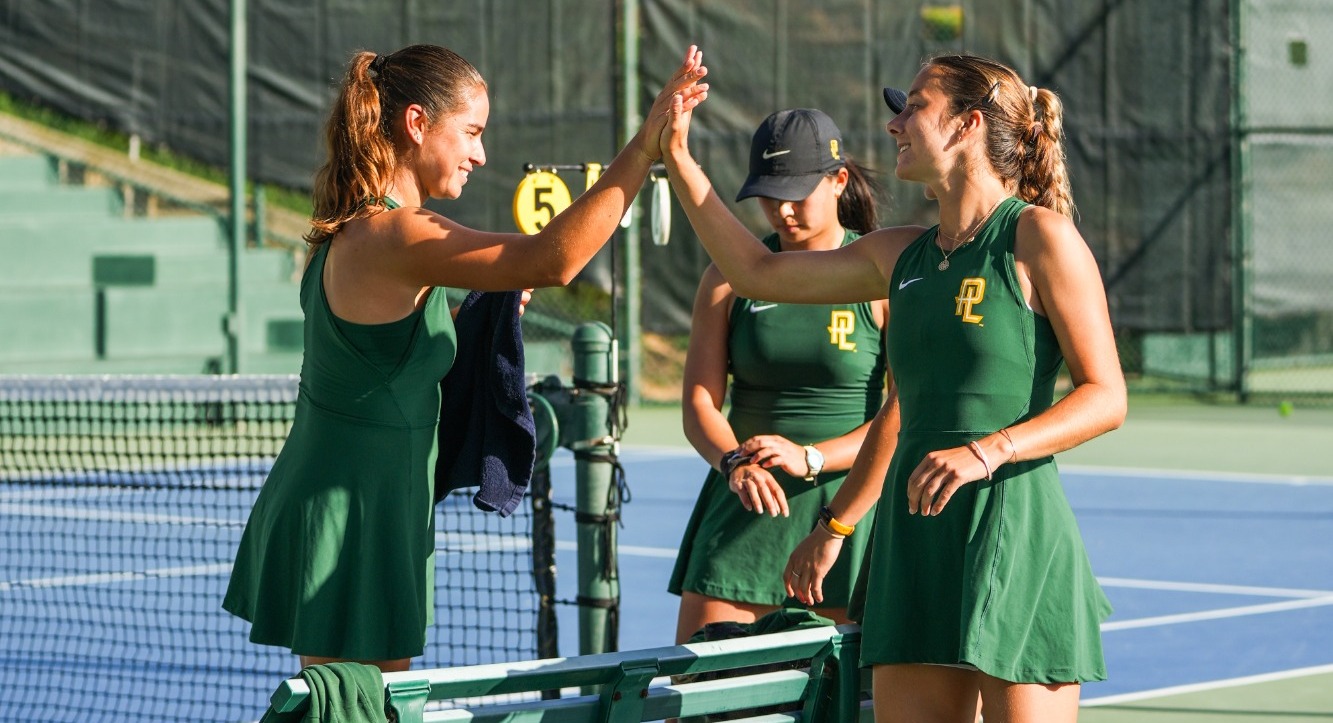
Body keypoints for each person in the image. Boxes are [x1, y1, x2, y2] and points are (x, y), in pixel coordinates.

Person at [660, 53, 1125, 723]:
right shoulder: (899, 254)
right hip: (911, 540)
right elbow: (756, 271)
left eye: (914, 107)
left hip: (1012, 527)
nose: (893, 124)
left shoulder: (1038, 237)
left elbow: (1105, 396)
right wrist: (677, 155)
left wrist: (987, 450)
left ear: (967, 124)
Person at [223, 43, 708, 673]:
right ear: (416, 123)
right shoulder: (396, 233)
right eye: (471, 132)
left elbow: (384, 359)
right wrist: (644, 148)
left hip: (373, 497)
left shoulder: (368, 228)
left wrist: (474, 321)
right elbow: (553, 259)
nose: (480, 154)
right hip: (352, 507)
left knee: (364, 703)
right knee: (351, 705)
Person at [668, 108, 891, 643]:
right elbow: (699, 402)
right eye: (769, 195)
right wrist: (733, 463)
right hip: (742, 516)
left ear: (839, 180)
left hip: (843, 517)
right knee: (696, 688)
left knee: (839, 690)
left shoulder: (884, 275)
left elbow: (902, 413)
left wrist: (811, 457)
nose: (782, 210)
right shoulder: (726, 279)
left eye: (796, 194)